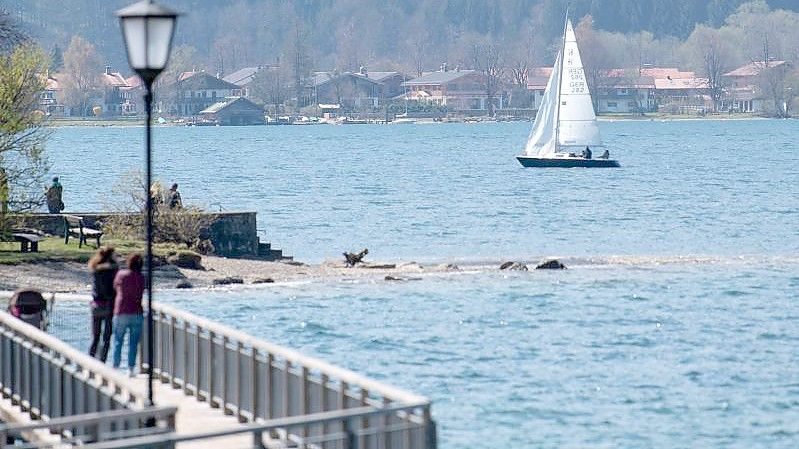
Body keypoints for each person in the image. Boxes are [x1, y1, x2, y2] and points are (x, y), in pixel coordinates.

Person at [112, 253, 145, 375]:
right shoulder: (141, 277)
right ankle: (131, 368)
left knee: (118, 340)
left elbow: (115, 287)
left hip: (121, 311)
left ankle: (115, 366)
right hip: (137, 312)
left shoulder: (121, 274)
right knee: (133, 342)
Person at [88, 246, 118, 362]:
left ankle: (90, 361)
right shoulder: (113, 271)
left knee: (95, 337)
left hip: (96, 306)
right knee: (106, 338)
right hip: (108, 306)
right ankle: (102, 362)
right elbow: (113, 289)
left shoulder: (95, 269)